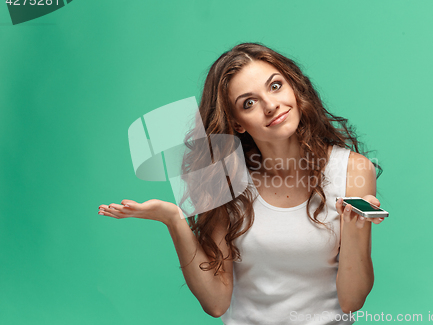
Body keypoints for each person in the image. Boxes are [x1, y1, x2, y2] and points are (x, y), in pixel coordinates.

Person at [98, 43, 385, 324]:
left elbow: (352, 300)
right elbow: (216, 302)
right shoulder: (222, 176)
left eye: (275, 86)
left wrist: (357, 227)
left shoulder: (353, 170)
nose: (271, 105)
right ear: (237, 124)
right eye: (249, 103)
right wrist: (174, 220)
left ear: (295, 88)